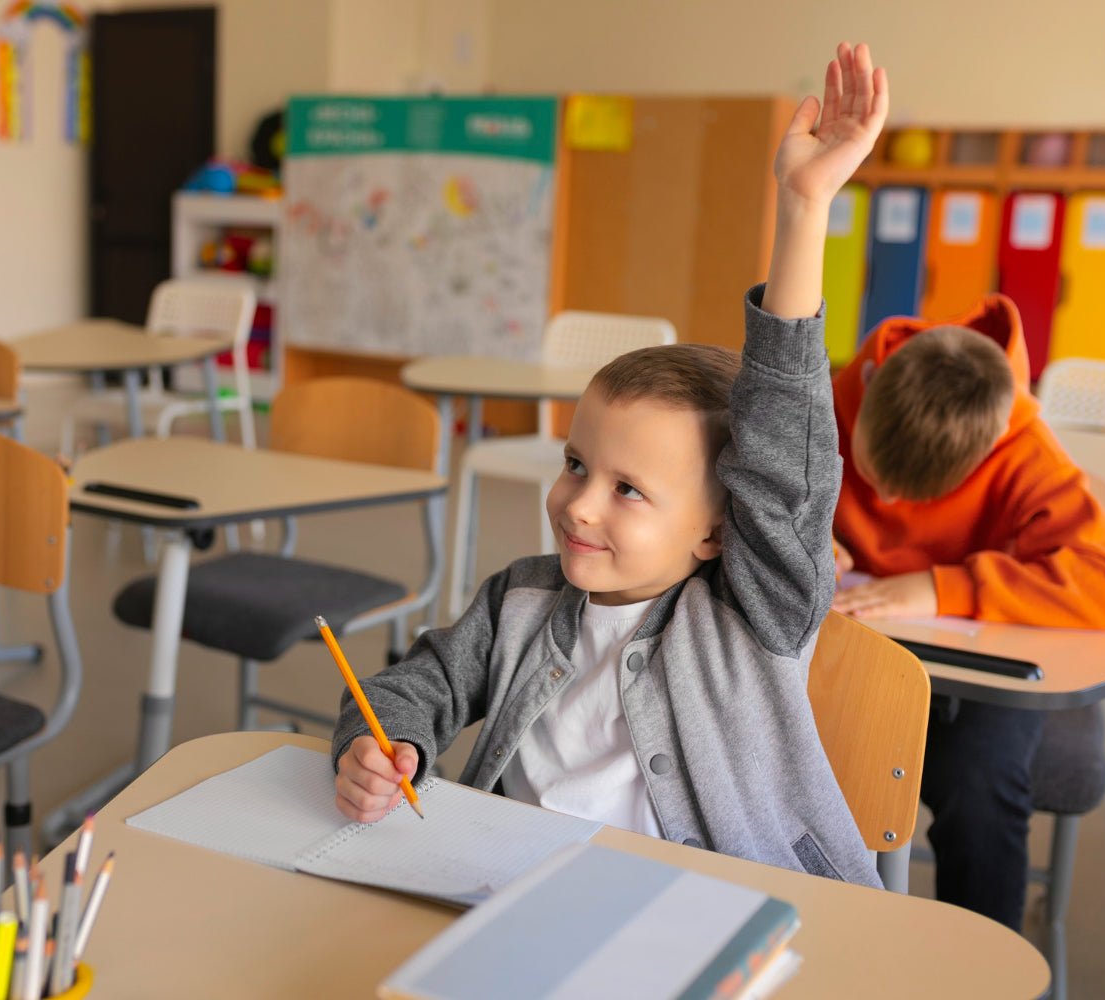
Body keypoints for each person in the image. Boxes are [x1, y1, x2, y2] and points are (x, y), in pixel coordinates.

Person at [331, 43, 890, 887]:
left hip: (694, 912)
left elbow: (787, 451)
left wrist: (803, 209)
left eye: (628, 489)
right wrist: (385, 743)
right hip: (507, 888)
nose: (579, 506)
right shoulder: (520, 600)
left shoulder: (752, 615)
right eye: (576, 465)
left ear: (717, 531)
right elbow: (410, 686)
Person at [831, 299, 1105, 927]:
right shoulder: (833, 395)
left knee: (978, 783)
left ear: (988, 450)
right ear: (867, 388)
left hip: (980, 665)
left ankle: (982, 968)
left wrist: (946, 588)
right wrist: (809, 535)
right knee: (798, 760)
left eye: (911, 492)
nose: (884, 499)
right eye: (870, 471)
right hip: (852, 647)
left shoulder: (1021, 447)